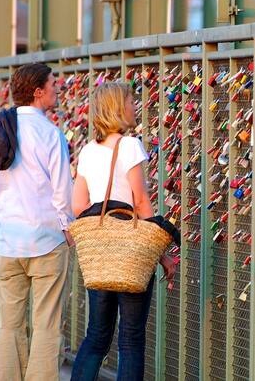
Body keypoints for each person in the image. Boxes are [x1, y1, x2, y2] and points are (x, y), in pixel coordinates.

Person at [69, 82, 177, 381]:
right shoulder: (129, 146)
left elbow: (78, 205)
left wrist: (103, 226)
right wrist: (161, 254)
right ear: (119, 107)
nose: (134, 106)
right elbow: (140, 202)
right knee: (130, 339)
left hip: (99, 252)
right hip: (131, 252)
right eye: (130, 101)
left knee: (96, 336)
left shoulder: (88, 150)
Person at [0, 63, 75, 381]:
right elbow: (62, 191)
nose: (56, 89)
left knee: (9, 326)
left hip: (9, 242)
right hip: (47, 241)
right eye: (52, 84)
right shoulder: (51, 134)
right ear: (38, 92)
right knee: (47, 326)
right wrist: (67, 229)